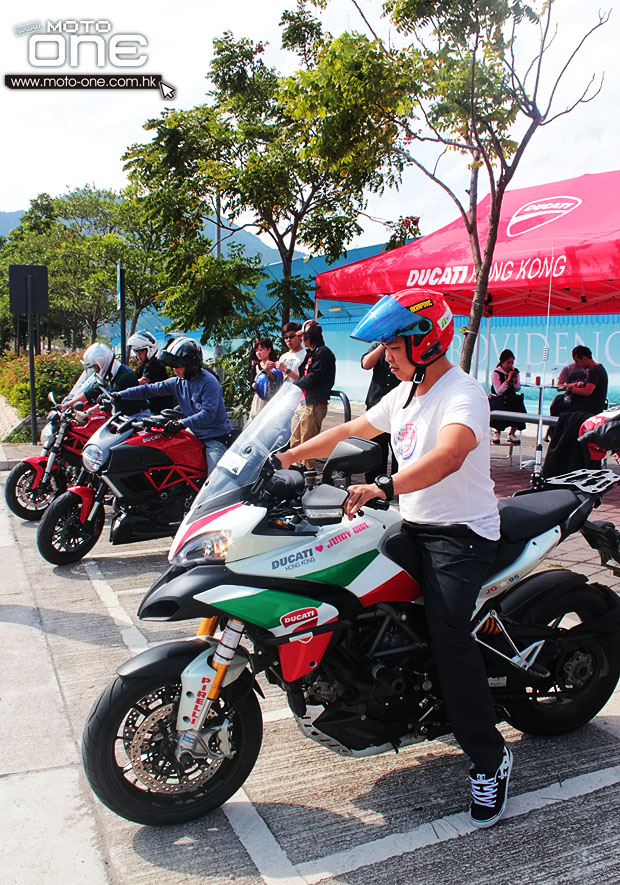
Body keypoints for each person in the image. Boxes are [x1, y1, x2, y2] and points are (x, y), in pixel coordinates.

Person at [278, 288, 512, 829]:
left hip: (462, 537)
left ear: (425, 342)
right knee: (355, 586)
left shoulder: (462, 392)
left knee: (450, 638)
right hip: (414, 524)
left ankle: (489, 758)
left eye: (392, 342)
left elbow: (450, 454)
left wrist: (386, 484)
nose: (386, 352)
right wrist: (289, 454)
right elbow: (351, 429)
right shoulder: (406, 393)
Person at [111, 337, 232, 473]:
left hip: (214, 437)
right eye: (173, 367)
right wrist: (120, 394)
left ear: (191, 364)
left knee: (215, 481)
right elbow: (149, 389)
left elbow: (208, 414)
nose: (174, 370)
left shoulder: (209, 382)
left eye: (178, 366)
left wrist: (181, 423)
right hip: (192, 433)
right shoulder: (179, 381)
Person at [289, 322, 336, 470]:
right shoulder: (311, 353)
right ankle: (295, 471)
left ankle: (306, 475)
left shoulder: (323, 353)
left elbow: (313, 376)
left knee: (307, 443)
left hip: (314, 404)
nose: (301, 339)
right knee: (295, 440)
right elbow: (304, 374)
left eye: (303, 336)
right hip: (303, 402)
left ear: (309, 337)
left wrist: (296, 384)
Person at [62, 342, 147, 416]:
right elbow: (91, 392)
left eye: (95, 367)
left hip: (137, 417)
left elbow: (110, 399)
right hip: (122, 416)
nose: (95, 370)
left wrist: (88, 413)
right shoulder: (110, 374)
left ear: (101, 362)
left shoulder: (125, 376)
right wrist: (67, 405)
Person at [361, 342, 401, 482]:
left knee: (400, 451)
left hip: (400, 408)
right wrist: (383, 346)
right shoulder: (378, 346)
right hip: (376, 405)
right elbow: (366, 364)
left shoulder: (404, 345)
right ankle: (376, 486)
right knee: (375, 451)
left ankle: (397, 486)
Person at [127, 329, 176, 413]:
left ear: (149, 349)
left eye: (141, 351)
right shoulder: (144, 365)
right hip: (149, 408)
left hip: (159, 410)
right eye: (136, 351)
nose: (138, 355)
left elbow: (143, 381)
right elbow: (132, 377)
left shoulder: (157, 365)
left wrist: (123, 388)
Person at [554, 345, 608, 417]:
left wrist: (571, 388)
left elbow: (587, 391)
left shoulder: (594, 371)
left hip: (591, 408)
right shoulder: (597, 369)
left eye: (579, 362)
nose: (579, 365)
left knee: (561, 411)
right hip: (591, 405)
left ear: (584, 358)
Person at [489, 349, 527, 445]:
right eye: (508, 363)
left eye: (512, 363)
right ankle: (497, 431)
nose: (510, 365)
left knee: (519, 406)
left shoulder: (515, 372)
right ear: (502, 362)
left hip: (510, 397)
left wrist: (514, 381)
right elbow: (499, 391)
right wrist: (507, 380)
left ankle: (512, 433)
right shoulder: (496, 373)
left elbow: (517, 389)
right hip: (499, 397)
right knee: (499, 406)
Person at [249, 338, 282, 420]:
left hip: (272, 399)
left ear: (269, 349)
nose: (258, 353)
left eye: (261, 350)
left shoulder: (275, 365)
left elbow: (276, 382)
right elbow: (252, 383)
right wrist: (257, 384)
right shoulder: (256, 366)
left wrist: (268, 371)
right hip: (259, 398)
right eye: (256, 350)